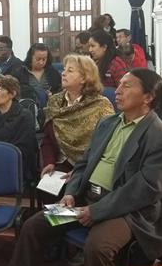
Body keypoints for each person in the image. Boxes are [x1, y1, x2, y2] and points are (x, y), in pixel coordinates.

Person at [6, 68, 162, 266]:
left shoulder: (157, 134)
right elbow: (83, 163)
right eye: (119, 84)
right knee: (33, 226)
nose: (117, 90)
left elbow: (145, 189)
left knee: (97, 247)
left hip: (124, 211)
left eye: (126, 86)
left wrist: (97, 211)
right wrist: (71, 193)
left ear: (148, 97)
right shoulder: (108, 123)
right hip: (84, 200)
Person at [40, 54, 115, 182]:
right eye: (64, 69)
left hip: (90, 166)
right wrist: (49, 162)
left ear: (84, 78)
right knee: (48, 190)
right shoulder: (54, 102)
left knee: (77, 191)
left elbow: (107, 145)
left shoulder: (101, 105)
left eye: (70, 71)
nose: (63, 73)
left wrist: (81, 171)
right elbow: (47, 138)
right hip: (60, 162)